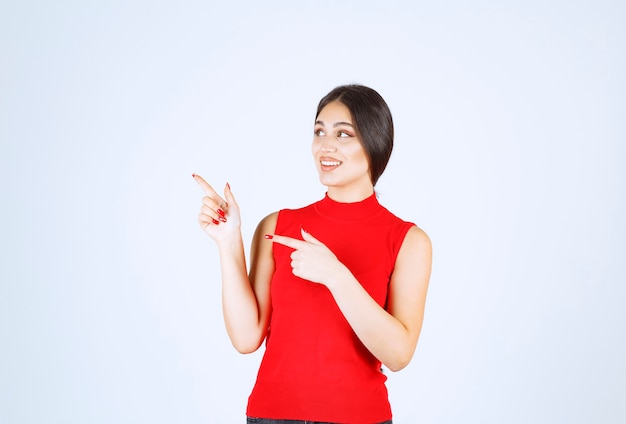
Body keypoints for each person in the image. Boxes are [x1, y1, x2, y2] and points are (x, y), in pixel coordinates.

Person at [193, 84, 432, 424]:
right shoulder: (277, 226)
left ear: (375, 142)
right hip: (269, 416)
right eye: (319, 131)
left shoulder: (409, 240)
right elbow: (246, 338)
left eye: (343, 134)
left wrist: (336, 276)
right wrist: (228, 240)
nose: (325, 144)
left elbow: (398, 354)